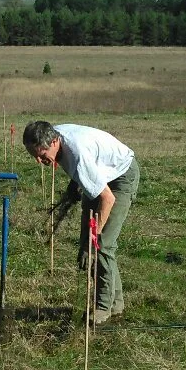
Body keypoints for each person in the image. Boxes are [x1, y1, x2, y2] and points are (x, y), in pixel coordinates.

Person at [23, 121, 140, 326]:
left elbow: (108, 198)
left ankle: (103, 307)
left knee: (101, 244)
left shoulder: (77, 156)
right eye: (35, 157)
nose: (40, 161)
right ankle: (115, 304)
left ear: (54, 141)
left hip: (120, 177)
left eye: (42, 155)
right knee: (92, 242)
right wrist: (74, 185)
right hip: (100, 174)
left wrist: (92, 241)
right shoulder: (53, 134)